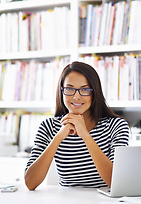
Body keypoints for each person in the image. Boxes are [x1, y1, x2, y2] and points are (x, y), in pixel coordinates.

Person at [24, 61, 129, 190]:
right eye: (69, 89)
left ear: (94, 92)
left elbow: (115, 182)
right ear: (61, 91)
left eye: (85, 89)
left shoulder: (116, 126)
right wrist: (57, 138)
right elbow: (30, 183)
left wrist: (85, 135)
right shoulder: (49, 126)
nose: (76, 96)